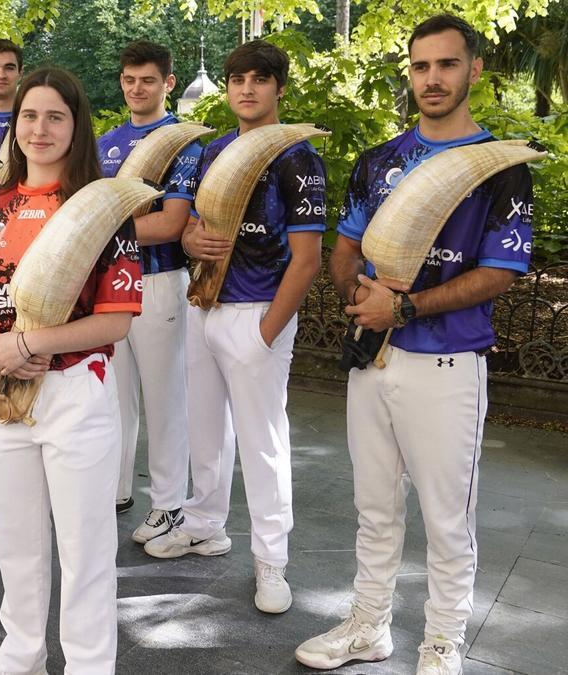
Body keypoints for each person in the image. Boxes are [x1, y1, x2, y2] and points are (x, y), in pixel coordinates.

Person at [295, 15, 535, 675]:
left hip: (448, 365)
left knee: (446, 519)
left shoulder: (502, 169)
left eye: (447, 65)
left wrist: (405, 304)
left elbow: (500, 272)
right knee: (373, 506)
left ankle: (442, 641)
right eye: (422, 65)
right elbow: (345, 247)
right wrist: (357, 295)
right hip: (372, 360)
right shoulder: (380, 161)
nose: (432, 78)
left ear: (473, 70)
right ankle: (369, 627)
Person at [0, 66, 142, 674]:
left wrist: (33, 341)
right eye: (29, 117)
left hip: (77, 392)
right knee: (16, 542)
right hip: (2, 385)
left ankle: (90, 664)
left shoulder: (104, 206)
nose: (40, 129)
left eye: (55, 117)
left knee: (84, 546)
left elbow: (116, 320)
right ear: (14, 126)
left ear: (76, 126)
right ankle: (22, 655)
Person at [155, 40, 327, 616]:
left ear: (279, 87)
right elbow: (191, 228)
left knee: (264, 444)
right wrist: (186, 239)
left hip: (258, 315)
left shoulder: (298, 157)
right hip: (205, 307)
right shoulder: (214, 151)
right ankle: (205, 524)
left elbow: (308, 261)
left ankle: (272, 561)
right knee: (204, 429)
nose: (246, 89)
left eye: (259, 79)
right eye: (237, 79)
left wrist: (267, 332)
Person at [97, 40, 202, 533]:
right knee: (113, 397)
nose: (136, 89)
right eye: (129, 79)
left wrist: (96, 229)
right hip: (108, 283)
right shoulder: (105, 143)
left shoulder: (185, 141)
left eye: (147, 80)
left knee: (165, 398)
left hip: (159, 280)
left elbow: (171, 224)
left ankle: (168, 504)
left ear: (168, 84)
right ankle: (115, 491)